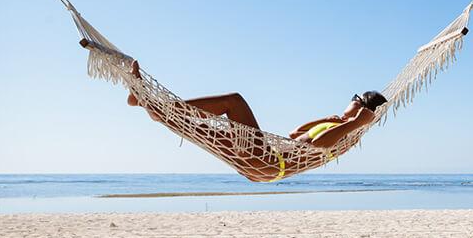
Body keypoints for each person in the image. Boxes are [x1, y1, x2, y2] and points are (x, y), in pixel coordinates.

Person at [125, 60, 387, 181]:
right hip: (264, 163)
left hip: (271, 161)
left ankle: (155, 104)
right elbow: (295, 134)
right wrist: (325, 118)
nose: (349, 100)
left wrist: (355, 123)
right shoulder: (339, 124)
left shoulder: (351, 133)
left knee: (234, 102)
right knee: (200, 131)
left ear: (362, 107)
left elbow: (319, 146)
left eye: (355, 97)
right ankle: (151, 106)